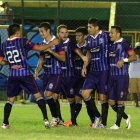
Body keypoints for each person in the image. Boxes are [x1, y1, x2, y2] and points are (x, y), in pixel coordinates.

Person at [0, 24, 59, 129]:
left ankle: (5, 123)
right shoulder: (23, 41)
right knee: (38, 96)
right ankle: (46, 120)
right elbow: (40, 48)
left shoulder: (3, 45)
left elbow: (1, 61)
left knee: (10, 100)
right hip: (25, 74)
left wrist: (11, 62)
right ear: (18, 31)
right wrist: (52, 43)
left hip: (12, 75)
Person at [35, 22, 66, 127]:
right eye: (40, 31)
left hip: (55, 73)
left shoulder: (57, 42)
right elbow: (41, 59)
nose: (41, 33)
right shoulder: (41, 43)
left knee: (47, 95)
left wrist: (51, 52)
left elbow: (63, 58)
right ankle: (57, 119)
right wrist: (37, 70)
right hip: (46, 74)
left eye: (42, 31)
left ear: (48, 31)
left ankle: (55, 118)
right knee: (52, 97)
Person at [56, 24, 88, 126]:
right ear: (58, 34)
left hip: (69, 75)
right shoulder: (55, 44)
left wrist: (83, 57)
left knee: (71, 99)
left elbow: (77, 50)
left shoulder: (71, 44)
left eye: (66, 32)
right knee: (54, 96)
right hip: (58, 75)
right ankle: (59, 119)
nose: (64, 34)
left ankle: (73, 121)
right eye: (62, 32)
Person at [82, 18, 110, 128]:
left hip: (104, 71)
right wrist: (84, 66)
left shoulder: (106, 36)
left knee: (103, 96)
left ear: (96, 28)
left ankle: (104, 124)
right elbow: (88, 53)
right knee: (85, 94)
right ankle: (98, 116)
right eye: (88, 27)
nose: (88, 29)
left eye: (90, 27)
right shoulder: (88, 39)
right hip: (93, 71)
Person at [108, 25, 137, 129]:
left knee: (120, 100)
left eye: (112, 33)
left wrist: (123, 60)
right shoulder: (111, 44)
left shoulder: (124, 43)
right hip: (112, 76)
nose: (110, 34)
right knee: (111, 101)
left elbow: (133, 57)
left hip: (122, 76)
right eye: (110, 33)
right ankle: (126, 117)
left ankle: (117, 124)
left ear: (118, 34)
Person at [65, 26, 88, 125]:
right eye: (76, 35)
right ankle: (73, 121)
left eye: (79, 35)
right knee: (74, 98)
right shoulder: (73, 47)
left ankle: (73, 121)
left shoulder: (87, 47)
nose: (77, 37)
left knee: (80, 98)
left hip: (84, 76)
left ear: (85, 36)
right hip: (73, 76)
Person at [129, 42, 140, 107]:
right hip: (132, 74)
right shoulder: (132, 55)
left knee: (134, 91)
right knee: (133, 91)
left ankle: (137, 104)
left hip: (135, 75)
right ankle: (137, 104)